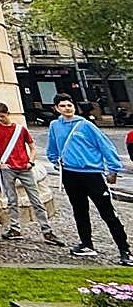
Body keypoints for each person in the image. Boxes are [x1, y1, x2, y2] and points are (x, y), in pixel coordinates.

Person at [45, 93, 132, 263]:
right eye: (62, 106)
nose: (66, 108)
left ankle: (124, 250)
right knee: (79, 210)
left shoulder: (86, 125)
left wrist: (113, 169)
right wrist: (57, 161)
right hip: (70, 174)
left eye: (69, 105)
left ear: (74, 107)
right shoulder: (55, 125)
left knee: (107, 212)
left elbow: (105, 145)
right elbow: (52, 147)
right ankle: (86, 244)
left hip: (91, 174)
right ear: (56, 108)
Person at [0, 100, 64, 245]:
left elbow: (32, 147)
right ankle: (15, 228)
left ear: (8, 113)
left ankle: (47, 231)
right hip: (8, 168)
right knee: (11, 200)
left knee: (36, 200)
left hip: (24, 168)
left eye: (2, 116)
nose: (0, 119)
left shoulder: (20, 129)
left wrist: (31, 162)